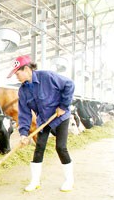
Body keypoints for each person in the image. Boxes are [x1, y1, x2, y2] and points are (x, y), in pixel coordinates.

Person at [7, 54, 75, 192]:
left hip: (60, 116)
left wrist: (63, 106)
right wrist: (23, 133)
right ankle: (35, 181)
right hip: (44, 120)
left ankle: (69, 180)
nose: (16, 77)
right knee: (39, 147)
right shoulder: (23, 91)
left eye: (17, 73)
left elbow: (69, 84)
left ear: (26, 69)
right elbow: (24, 113)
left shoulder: (47, 76)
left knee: (60, 147)